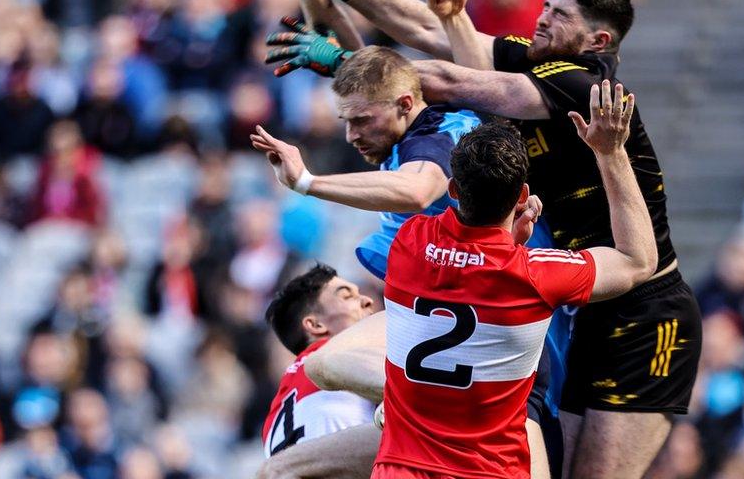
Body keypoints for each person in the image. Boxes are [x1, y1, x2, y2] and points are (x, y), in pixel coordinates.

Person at [278, 0, 702, 478]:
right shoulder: (536, 62)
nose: (542, 19)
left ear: (596, 40)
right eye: (546, 5)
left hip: (645, 309)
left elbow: (451, 80)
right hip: (579, 292)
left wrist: (341, 64)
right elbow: (432, 30)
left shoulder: (582, 83)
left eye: (559, 15)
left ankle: (413, 403)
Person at [324, 83, 655, 478]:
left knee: (324, 364)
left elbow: (458, 260)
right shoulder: (537, 274)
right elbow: (637, 261)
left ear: (451, 189)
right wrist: (611, 152)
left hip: (402, 468)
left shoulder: (408, 245)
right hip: (489, 470)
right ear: (522, 196)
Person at [252, 43, 482, 280]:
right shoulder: (405, 122)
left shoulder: (437, 138)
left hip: (471, 285)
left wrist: (306, 182)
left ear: (405, 104)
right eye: (347, 121)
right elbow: (374, 63)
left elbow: (417, 191)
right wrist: (318, 6)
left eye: (361, 121)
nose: (350, 135)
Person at [261, 264, 377, 461]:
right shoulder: (344, 356)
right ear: (315, 325)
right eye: (347, 296)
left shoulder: (274, 415)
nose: (367, 301)